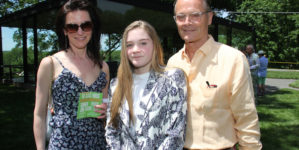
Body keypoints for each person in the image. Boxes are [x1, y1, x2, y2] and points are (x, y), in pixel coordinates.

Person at [167, 0, 262, 149]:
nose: (187, 22)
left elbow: (246, 117)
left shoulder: (233, 60)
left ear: (209, 17)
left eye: (195, 15)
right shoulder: (172, 63)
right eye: (181, 16)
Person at [33, 0, 109, 149]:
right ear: (64, 30)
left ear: (92, 28)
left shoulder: (103, 67)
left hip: (97, 144)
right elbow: (39, 114)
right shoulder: (50, 63)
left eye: (85, 25)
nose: (80, 32)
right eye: (72, 27)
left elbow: (105, 107)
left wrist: (106, 112)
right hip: (63, 145)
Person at [105, 20, 187, 149]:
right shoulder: (116, 85)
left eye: (143, 43)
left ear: (154, 45)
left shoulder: (173, 78)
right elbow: (111, 131)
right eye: (129, 45)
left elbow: (175, 134)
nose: (135, 50)